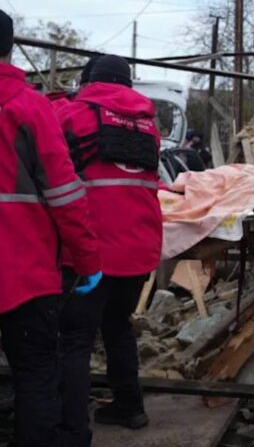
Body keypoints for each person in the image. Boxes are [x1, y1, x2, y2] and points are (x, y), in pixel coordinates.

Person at [0, 10, 102, 447]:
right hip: (23, 273)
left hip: (24, 271)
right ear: (9, 46)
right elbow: (64, 194)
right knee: (35, 374)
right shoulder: (29, 107)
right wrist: (86, 259)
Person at [56, 54, 162, 444]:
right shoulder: (149, 125)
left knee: (75, 338)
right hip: (140, 246)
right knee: (118, 328)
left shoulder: (72, 115)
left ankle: (72, 426)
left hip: (91, 250)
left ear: (89, 80)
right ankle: (130, 407)